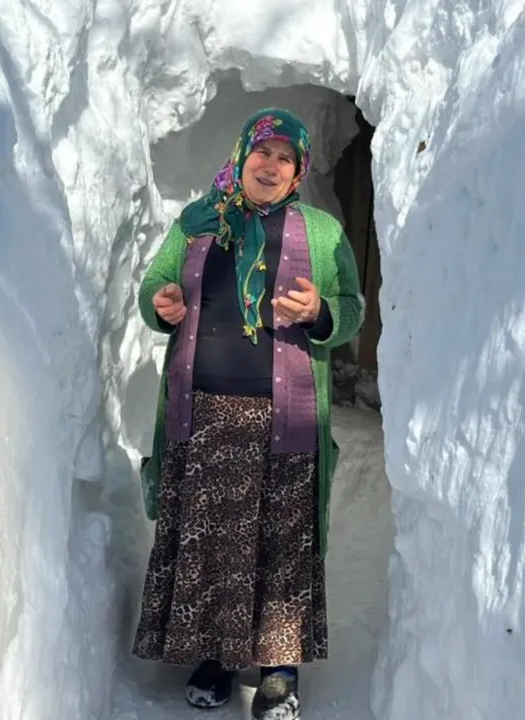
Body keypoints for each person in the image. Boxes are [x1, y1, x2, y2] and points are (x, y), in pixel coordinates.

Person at [131, 109, 364, 720]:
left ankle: (278, 671)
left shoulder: (320, 232)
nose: (271, 165)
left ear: (298, 173)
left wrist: (321, 310)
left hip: (285, 418)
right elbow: (155, 283)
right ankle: (215, 654)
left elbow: (351, 306)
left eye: (286, 158)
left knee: (279, 546)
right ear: (242, 155)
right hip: (202, 411)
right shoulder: (199, 222)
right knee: (212, 544)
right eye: (263, 152)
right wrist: (162, 302)